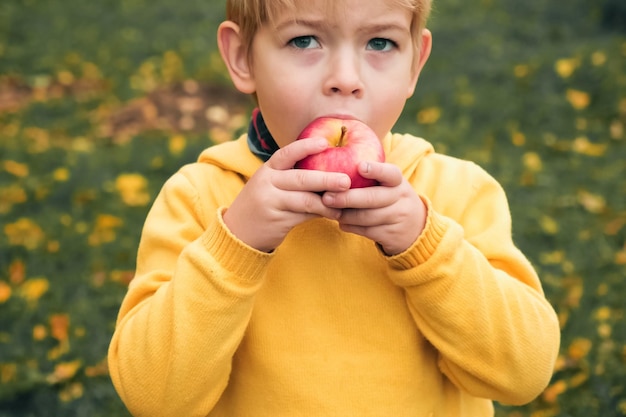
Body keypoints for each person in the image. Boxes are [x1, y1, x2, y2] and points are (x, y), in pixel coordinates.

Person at [108, 0, 561, 415]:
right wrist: (235, 247)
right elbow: (155, 397)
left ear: (414, 65)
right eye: (304, 40)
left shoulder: (456, 193)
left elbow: (523, 373)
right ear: (242, 57)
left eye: (380, 43)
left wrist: (426, 246)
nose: (346, 79)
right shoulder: (201, 199)